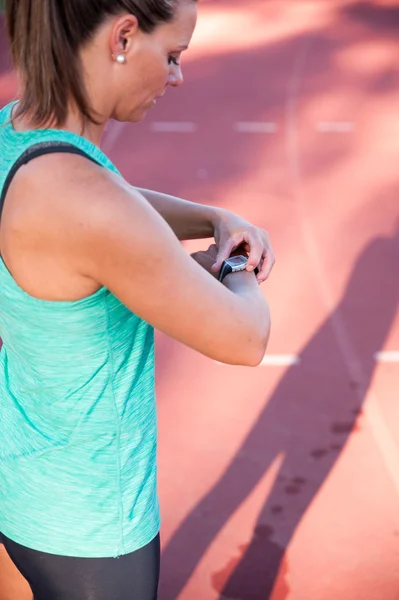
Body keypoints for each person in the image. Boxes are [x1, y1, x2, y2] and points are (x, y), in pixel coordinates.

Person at [0, 0, 273, 598]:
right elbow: (245, 338)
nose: (177, 76)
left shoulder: (14, 129)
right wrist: (236, 262)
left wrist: (209, 216)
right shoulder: (90, 205)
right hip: (94, 527)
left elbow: (108, 194)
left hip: (24, 484)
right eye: (172, 56)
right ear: (123, 35)